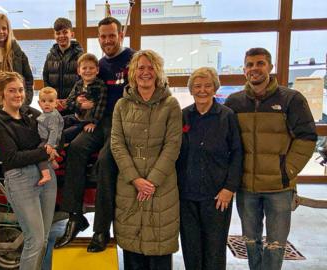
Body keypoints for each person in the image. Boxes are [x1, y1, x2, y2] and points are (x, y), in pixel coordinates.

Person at [224, 47, 317, 270]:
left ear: (270, 67)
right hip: (247, 187)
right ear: (244, 70)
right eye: (250, 65)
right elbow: (226, 141)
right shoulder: (234, 102)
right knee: (250, 241)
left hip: (279, 188)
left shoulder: (291, 99)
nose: (254, 69)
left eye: (260, 63)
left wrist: (287, 170)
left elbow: (306, 137)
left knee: (276, 244)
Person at [55, 16, 135, 252]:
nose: (107, 40)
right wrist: (80, 106)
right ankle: (74, 215)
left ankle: (101, 229)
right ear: (98, 38)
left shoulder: (134, 60)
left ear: (121, 35)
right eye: (103, 36)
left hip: (123, 125)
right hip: (99, 122)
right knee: (77, 149)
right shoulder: (98, 65)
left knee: (105, 162)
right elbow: (86, 98)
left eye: (112, 35)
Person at [111, 50, 182, 270]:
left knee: (159, 251)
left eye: (151, 68)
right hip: (129, 185)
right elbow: (117, 144)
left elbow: (172, 146)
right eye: (141, 67)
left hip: (161, 187)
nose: (145, 72)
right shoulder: (121, 106)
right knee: (132, 252)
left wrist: (151, 182)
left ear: (158, 72)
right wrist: (135, 179)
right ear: (133, 72)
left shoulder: (170, 105)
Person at [0, 71, 57, 270]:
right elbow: (11, 158)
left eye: (20, 90)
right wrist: (43, 151)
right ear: (2, 93)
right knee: (34, 239)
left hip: (46, 177)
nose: (18, 94)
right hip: (20, 179)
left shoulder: (30, 113)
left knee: (43, 239)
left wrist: (51, 147)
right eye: (12, 91)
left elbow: (51, 132)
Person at [176, 67, 243, 270]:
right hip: (187, 195)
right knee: (190, 248)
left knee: (214, 250)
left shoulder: (227, 116)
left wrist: (229, 188)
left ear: (215, 88)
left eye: (207, 85)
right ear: (191, 90)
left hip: (217, 196)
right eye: (197, 86)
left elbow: (237, 153)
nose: (202, 90)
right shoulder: (183, 116)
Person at [63, 53, 107, 143]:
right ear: (79, 71)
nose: (88, 71)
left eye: (91, 68)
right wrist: (80, 105)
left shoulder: (101, 86)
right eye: (84, 68)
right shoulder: (78, 84)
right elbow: (68, 103)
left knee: (64, 134)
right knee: (56, 122)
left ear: (97, 70)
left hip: (88, 121)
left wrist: (94, 123)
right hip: (76, 117)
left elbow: (101, 107)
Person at [43, 17, 84, 114]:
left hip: (74, 108)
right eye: (58, 33)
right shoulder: (50, 57)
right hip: (54, 106)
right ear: (54, 35)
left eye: (65, 32)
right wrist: (52, 99)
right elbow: (46, 79)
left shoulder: (80, 56)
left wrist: (69, 101)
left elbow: (83, 81)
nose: (61, 36)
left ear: (72, 34)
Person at [37, 86, 64, 183]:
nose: (47, 103)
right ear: (39, 103)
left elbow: (54, 131)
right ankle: (53, 162)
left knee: (39, 153)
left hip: (48, 140)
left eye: (51, 101)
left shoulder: (52, 116)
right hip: (46, 138)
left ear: (56, 103)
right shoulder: (47, 113)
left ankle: (46, 175)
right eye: (43, 101)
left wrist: (50, 145)